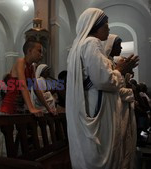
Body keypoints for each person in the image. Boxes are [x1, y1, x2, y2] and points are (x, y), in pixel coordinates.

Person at [66, 8, 139, 169]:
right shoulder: (92, 43)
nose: (109, 29)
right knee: (101, 155)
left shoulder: (79, 46)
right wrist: (120, 70)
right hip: (99, 108)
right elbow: (103, 80)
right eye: (105, 25)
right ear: (95, 26)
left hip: (92, 104)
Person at [104, 34, 137, 169]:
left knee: (125, 141)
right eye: (118, 45)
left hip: (122, 108)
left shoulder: (112, 63)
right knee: (118, 144)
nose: (121, 47)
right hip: (115, 109)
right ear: (110, 46)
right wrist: (130, 92)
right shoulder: (107, 64)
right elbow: (114, 88)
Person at [0, 39, 55, 116]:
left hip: (20, 108)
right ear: (29, 51)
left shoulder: (31, 67)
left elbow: (37, 90)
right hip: (9, 108)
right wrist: (31, 108)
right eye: (39, 51)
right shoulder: (20, 62)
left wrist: (49, 109)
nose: (41, 55)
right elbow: (23, 85)